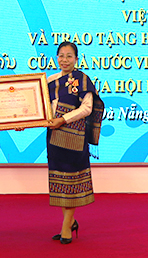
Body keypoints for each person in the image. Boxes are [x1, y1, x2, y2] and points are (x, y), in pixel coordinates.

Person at [46, 41, 104, 245]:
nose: (65, 60)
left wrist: (63, 119)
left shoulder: (82, 80)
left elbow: (87, 108)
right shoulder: (50, 80)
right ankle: (70, 221)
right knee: (61, 181)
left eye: (69, 56)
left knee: (73, 182)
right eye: (61, 55)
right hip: (54, 138)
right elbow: (42, 108)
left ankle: (66, 227)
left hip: (74, 138)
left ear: (76, 59)